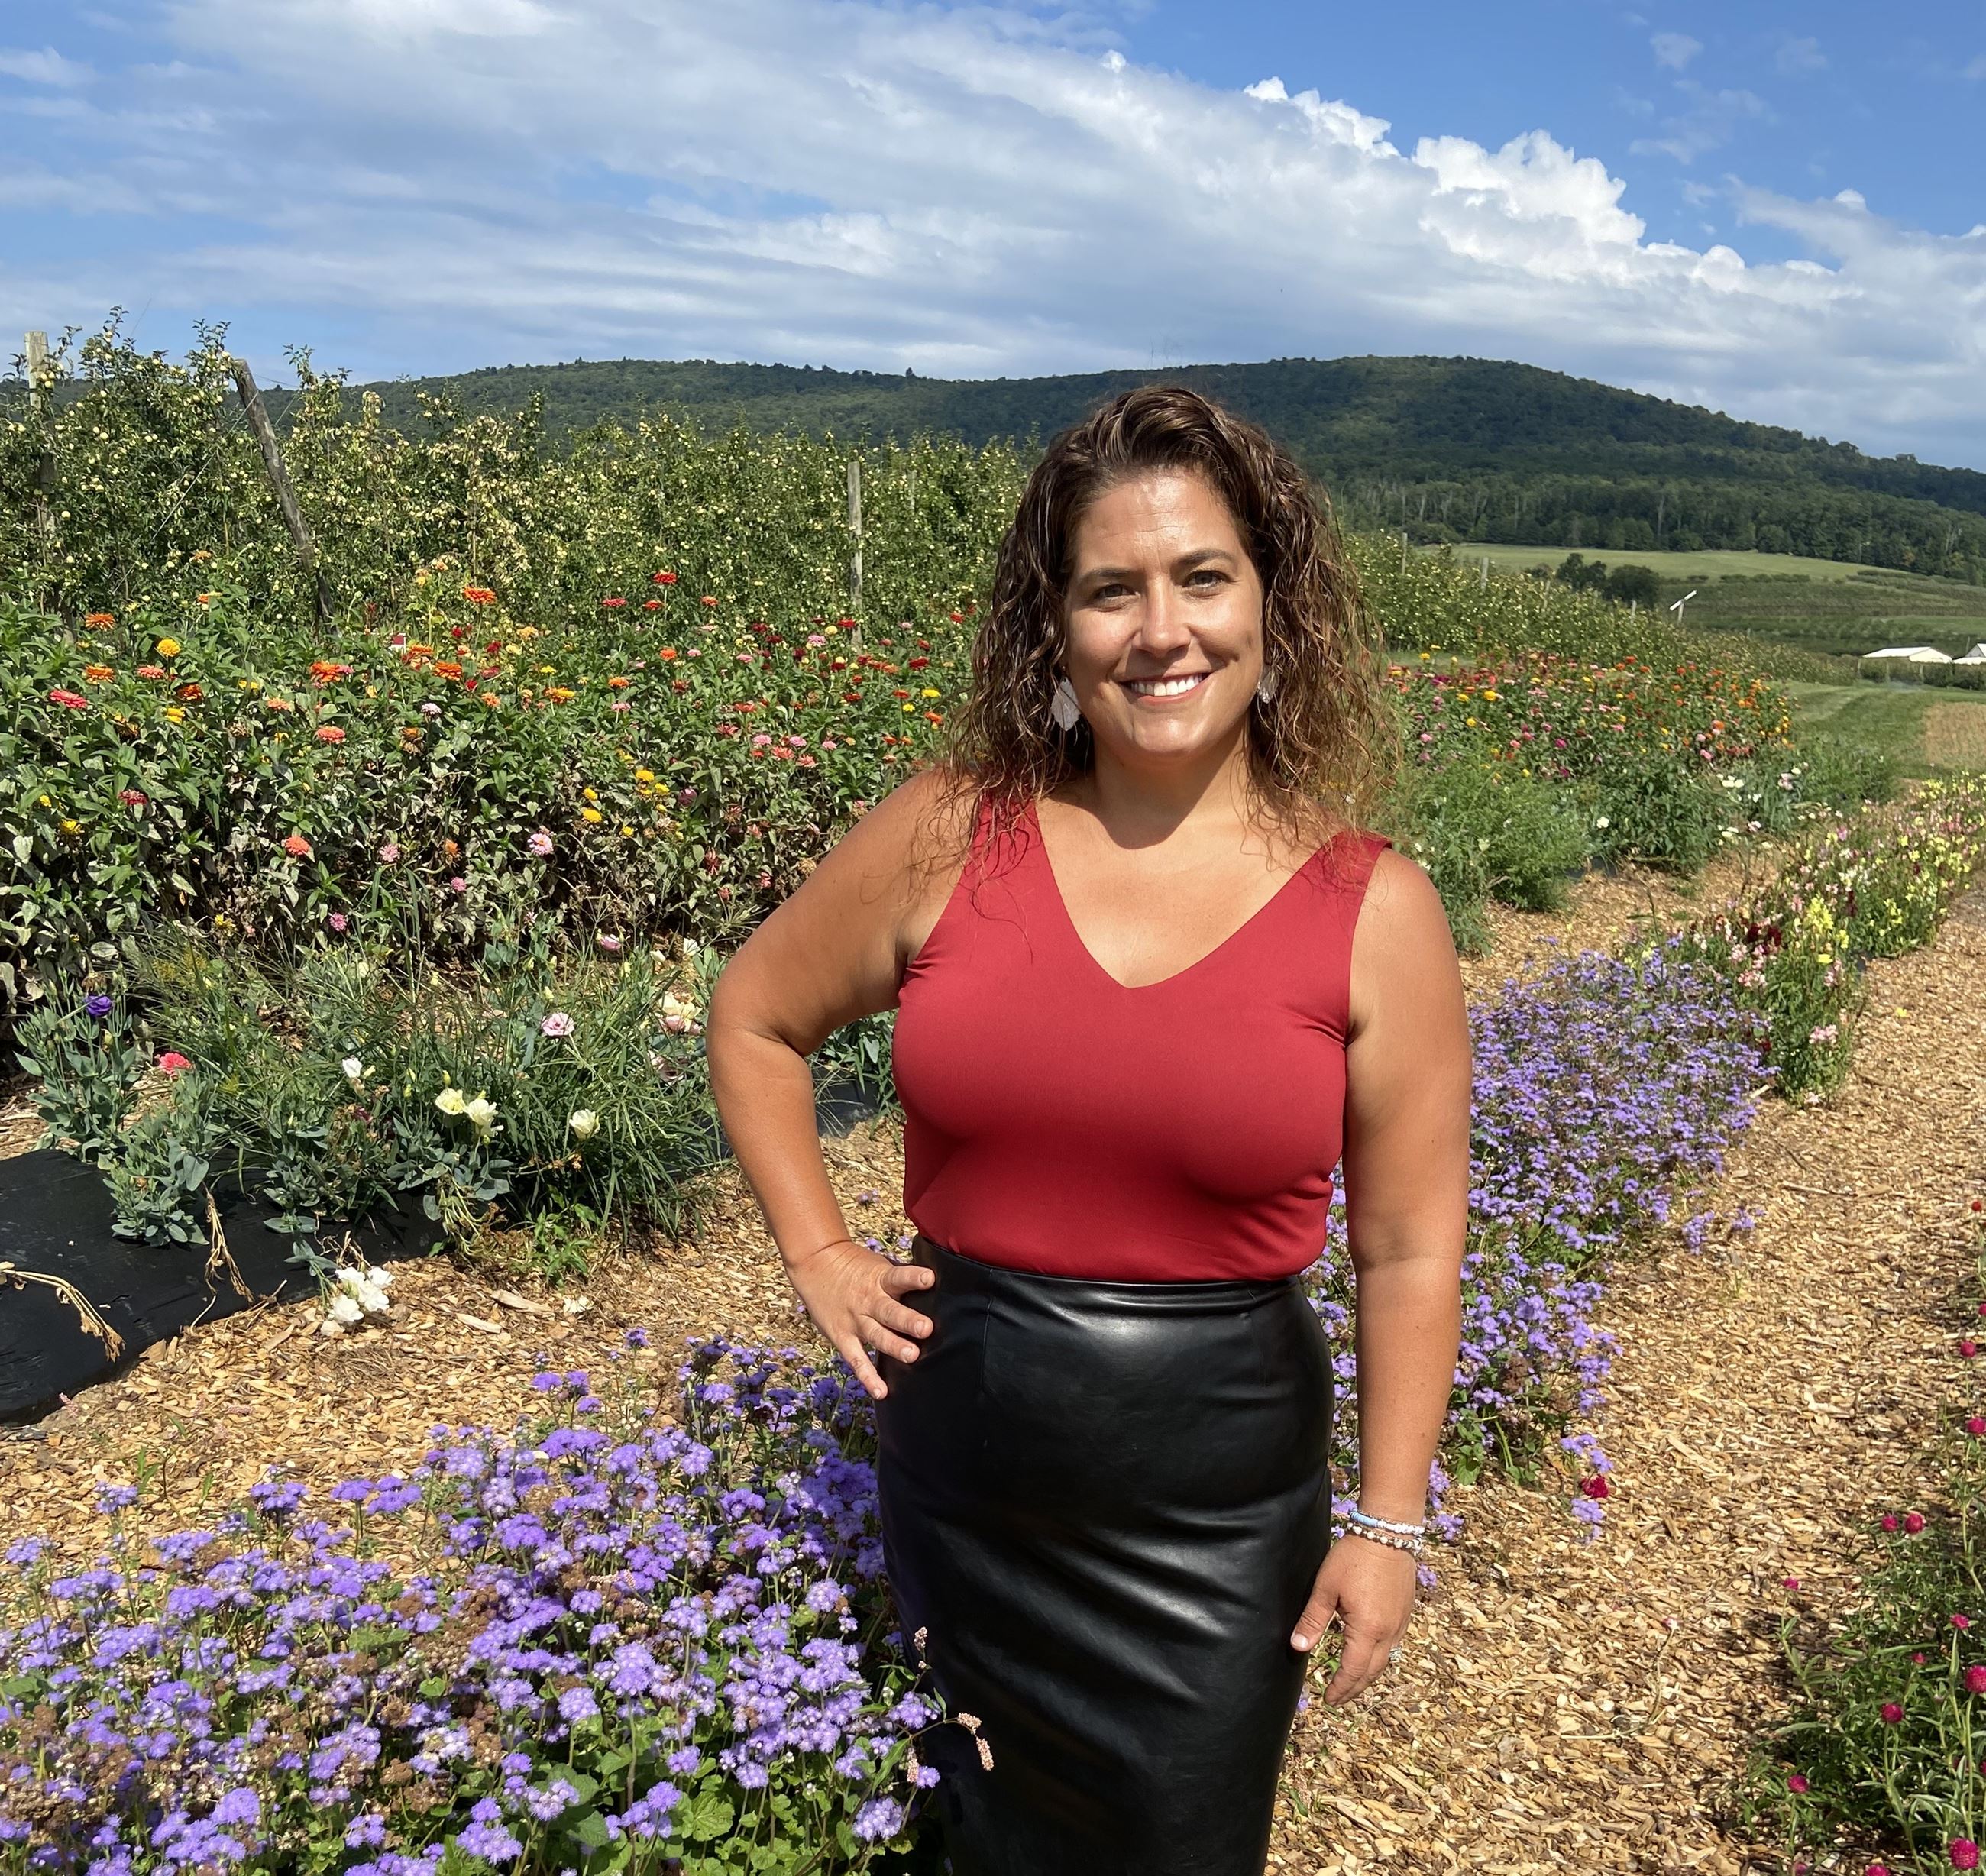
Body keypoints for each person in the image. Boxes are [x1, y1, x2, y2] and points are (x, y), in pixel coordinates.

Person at [706, 385, 1471, 1876]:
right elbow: (753, 1018)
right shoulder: (950, 830)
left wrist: (1385, 1524)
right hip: (965, 1478)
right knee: (965, 1843)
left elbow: (1406, 1243)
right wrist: (817, 1248)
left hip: (1208, 1514)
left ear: (1271, 603)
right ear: (1051, 629)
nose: (1159, 629)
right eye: (1108, 589)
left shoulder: (1374, 908)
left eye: (1201, 577)